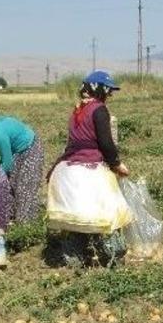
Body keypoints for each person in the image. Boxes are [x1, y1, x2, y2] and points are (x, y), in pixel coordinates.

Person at [46, 70, 132, 265]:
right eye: (108, 91)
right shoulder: (99, 110)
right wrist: (116, 164)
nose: (110, 95)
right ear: (100, 90)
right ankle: (111, 257)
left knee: (77, 218)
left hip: (68, 171)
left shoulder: (78, 109)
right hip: (89, 172)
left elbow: (73, 142)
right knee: (106, 216)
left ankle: (74, 258)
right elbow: (106, 143)